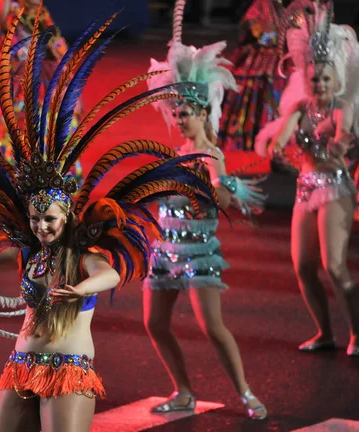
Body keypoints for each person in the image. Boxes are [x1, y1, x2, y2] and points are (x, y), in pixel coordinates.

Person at [0, 7, 217, 431]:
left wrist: (81, 288)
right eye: (36, 219)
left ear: (68, 216)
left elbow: (110, 275)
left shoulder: (81, 255)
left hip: (68, 369)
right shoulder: (30, 253)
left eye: (49, 220)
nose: (41, 227)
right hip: (20, 365)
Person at [144, 0, 268, 420]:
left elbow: (225, 202)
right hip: (164, 250)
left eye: (186, 112)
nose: (179, 118)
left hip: (197, 253)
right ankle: (183, 391)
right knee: (154, 325)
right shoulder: (176, 153)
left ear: (203, 112)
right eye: (175, 111)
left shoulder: (209, 155)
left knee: (212, 328)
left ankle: (247, 393)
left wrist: (213, 185)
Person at [261, 1, 359, 356]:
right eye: (314, 77)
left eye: (325, 78)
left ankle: (357, 333)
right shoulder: (300, 108)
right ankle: (324, 332)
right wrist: (277, 146)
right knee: (303, 268)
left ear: (337, 79)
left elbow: (341, 136)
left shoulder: (341, 108)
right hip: (305, 189)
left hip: (335, 188)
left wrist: (337, 144)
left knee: (334, 266)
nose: (318, 82)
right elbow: (280, 138)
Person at [0, 0, 84, 184]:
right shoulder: (8, 11)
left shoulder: (41, 13)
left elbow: (59, 60)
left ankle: (55, 176)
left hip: (45, 91)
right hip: (17, 95)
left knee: (62, 119)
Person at [218, 0, 291, 152]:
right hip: (264, 59)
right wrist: (283, 39)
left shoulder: (300, 7)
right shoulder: (262, 6)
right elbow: (261, 37)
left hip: (289, 58)